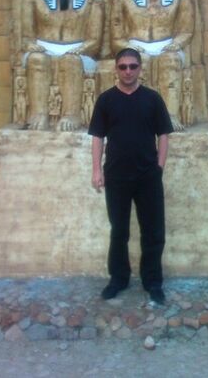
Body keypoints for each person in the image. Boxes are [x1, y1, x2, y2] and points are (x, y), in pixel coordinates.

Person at [88, 48, 174, 305]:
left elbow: (164, 135)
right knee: (119, 231)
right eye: (123, 66)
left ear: (140, 68)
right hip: (116, 176)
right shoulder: (106, 100)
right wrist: (96, 170)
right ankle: (118, 279)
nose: (128, 71)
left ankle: (153, 282)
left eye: (132, 66)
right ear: (116, 69)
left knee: (153, 231)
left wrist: (159, 167)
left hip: (148, 176)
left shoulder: (152, 99)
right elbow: (97, 137)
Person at [110, 0, 196, 131]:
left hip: (168, 45)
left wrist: (175, 44)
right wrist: (130, 47)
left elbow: (186, 31)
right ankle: (138, 117)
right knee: (139, 61)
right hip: (135, 45)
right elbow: (116, 36)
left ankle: (170, 115)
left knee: (169, 59)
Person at [19, 0, 104, 131]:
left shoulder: (92, 0)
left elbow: (94, 41)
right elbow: (27, 37)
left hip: (77, 51)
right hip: (43, 48)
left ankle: (71, 114)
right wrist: (32, 46)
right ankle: (38, 113)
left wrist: (79, 50)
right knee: (37, 59)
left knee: (70, 60)